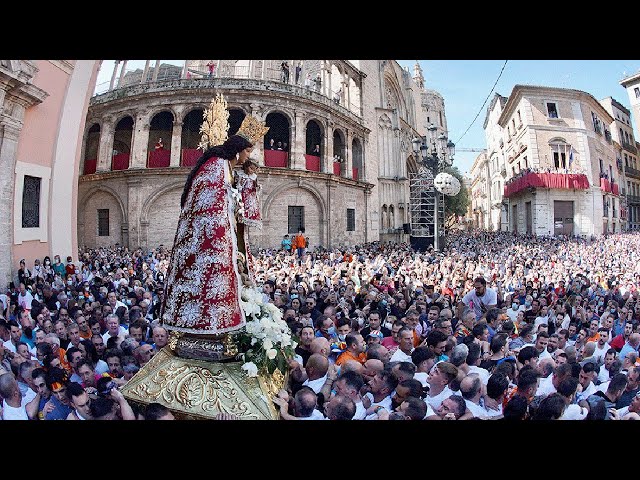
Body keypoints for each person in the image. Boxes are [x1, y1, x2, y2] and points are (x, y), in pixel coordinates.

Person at [161, 111, 269, 340]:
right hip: (206, 242)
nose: (249, 156)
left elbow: (235, 200)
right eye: (248, 151)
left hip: (221, 235)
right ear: (238, 149)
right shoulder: (216, 166)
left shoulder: (227, 169)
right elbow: (212, 206)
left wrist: (247, 184)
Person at [235, 158, 262, 229]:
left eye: (254, 169)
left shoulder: (254, 177)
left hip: (251, 197)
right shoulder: (241, 175)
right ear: (246, 166)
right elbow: (238, 186)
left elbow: (255, 187)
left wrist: (257, 187)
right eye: (251, 168)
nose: (252, 171)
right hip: (243, 196)